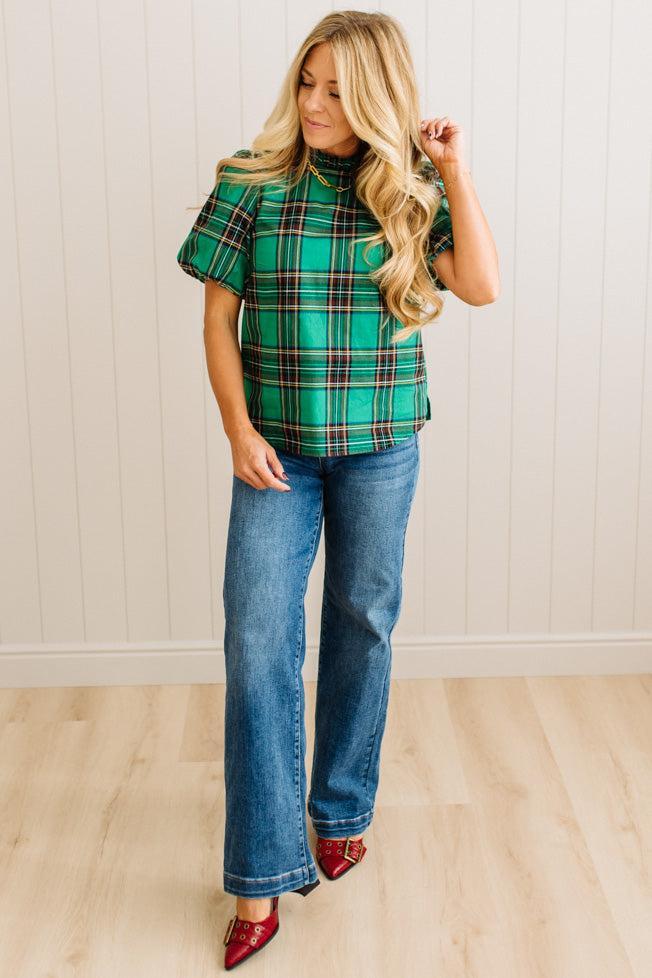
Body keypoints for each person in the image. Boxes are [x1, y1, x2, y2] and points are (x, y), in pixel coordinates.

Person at [176, 10, 499, 970]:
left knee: (362, 621)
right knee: (257, 645)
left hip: (381, 448)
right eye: (307, 82)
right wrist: (237, 430)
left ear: (373, 94)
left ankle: (339, 809)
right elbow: (216, 321)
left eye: (336, 88)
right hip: (273, 454)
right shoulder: (251, 179)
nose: (315, 103)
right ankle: (259, 875)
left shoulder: (404, 191)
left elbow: (478, 286)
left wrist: (454, 171)